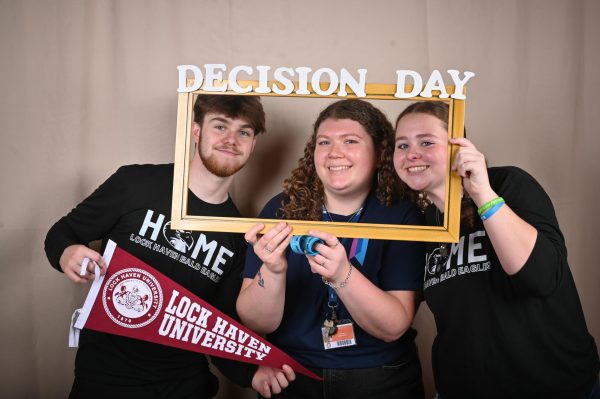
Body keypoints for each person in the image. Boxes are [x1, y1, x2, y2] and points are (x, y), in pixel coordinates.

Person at [44, 94, 295, 399]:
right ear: (196, 130)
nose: (231, 140)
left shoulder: (238, 234)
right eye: (220, 126)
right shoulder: (134, 183)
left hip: (185, 386)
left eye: (244, 132)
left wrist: (251, 372)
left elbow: (216, 326)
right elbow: (62, 232)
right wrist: (66, 252)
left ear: (253, 144)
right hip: (104, 378)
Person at [393, 101, 600, 399]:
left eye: (426, 142)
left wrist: (482, 194)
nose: (411, 153)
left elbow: (540, 277)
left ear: (458, 146)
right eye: (402, 145)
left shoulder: (507, 184)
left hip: (555, 387)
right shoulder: (421, 224)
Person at [237, 99, 426, 399]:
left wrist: (342, 275)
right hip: (291, 376)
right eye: (324, 142)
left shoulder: (402, 216)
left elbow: (394, 327)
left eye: (350, 141)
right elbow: (256, 321)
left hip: (380, 379)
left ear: (379, 154)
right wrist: (272, 271)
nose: (334, 152)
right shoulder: (281, 210)